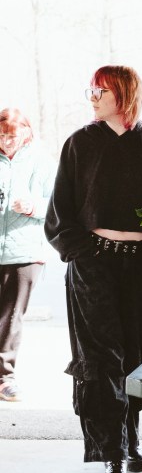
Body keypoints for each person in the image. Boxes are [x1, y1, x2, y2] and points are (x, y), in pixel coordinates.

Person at [45, 65, 142, 473]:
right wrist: (83, 252)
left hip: (140, 267)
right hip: (94, 267)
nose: (92, 96)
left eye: (99, 89)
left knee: (140, 354)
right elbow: (59, 213)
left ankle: (131, 435)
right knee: (102, 361)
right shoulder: (80, 144)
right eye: (91, 89)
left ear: (122, 93)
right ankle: (112, 458)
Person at [0, 108, 55, 402]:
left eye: (13, 135)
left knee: (10, 318)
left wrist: (32, 206)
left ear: (27, 132)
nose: (7, 141)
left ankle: (5, 377)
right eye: (2, 135)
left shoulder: (41, 162)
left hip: (24, 253)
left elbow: (60, 204)